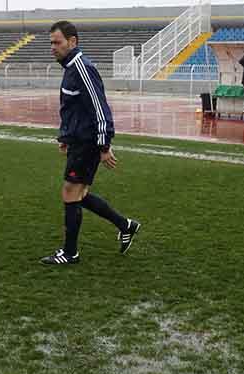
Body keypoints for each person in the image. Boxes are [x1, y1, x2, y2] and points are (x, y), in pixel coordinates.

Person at [41, 21, 141, 266]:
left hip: (87, 143)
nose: (53, 47)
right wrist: (65, 138)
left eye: (57, 42)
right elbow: (74, 109)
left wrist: (104, 146)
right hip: (78, 141)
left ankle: (70, 252)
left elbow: (99, 108)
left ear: (72, 41)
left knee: (70, 192)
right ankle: (126, 225)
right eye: (51, 43)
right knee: (79, 194)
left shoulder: (82, 68)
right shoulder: (70, 68)